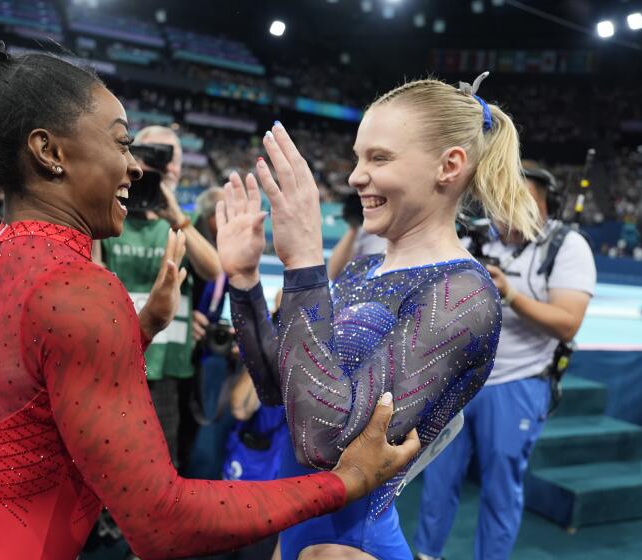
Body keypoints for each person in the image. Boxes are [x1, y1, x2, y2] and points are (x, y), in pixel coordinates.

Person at [0, 5, 420, 559]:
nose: (136, 167)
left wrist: (138, 329)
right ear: (49, 152)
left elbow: (27, 392)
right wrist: (347, 481)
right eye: (120, 143)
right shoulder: (78, 288)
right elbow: (162, 522)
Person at [219, 74, 542, 560]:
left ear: (448, 166)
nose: (354, 176)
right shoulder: (364, 267)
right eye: (356, 157)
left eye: (379, 158)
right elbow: (279, 390)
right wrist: (243, 283)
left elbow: (324, 443)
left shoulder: (462, 294)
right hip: (303, 525)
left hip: (349, 541)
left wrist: (305, 261)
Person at [413, 165, 596, 560]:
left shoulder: (567, 247)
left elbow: (568, 323)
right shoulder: (474, 239)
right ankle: (426, 554)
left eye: (518, 202)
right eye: (500, 202)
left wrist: (509, 294)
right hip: (459, 381)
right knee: (439, 478)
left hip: (518, 381)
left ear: (543, 206)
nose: (506, 214)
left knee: (501, 487)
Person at [98, 125, 222, 467]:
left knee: (159, 464)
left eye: (173, 157)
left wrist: (176, 218)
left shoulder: (186, 220)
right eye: (156, 154)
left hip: (168, 365)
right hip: (118, 361)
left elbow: (214, 269)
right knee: (108, 462)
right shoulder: (111, 215)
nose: (166, 165)